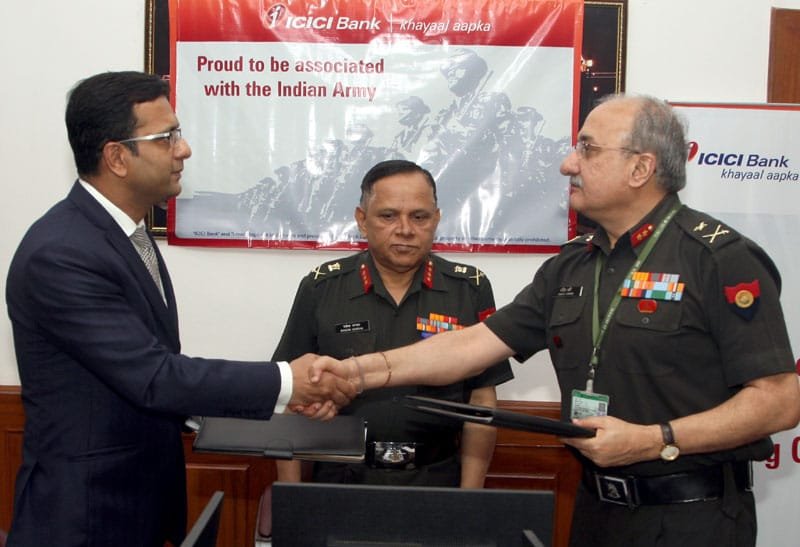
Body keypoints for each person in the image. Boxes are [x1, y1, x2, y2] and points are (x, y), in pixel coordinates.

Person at [308, 95, 800, 546]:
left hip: (693, 516)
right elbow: (471, 344)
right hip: (594, 509)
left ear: (640, 168)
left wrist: (654, 440)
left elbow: (779, 402)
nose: (569, 164)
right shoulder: (571, 266)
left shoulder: (718, 259)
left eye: (587, 149)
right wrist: (355, 373)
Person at [4, 71, 354, 547]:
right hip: (86, 518)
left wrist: (259, 406)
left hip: (135, 504)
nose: (183, 149)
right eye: (166, 137)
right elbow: (153, 377)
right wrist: (287, 382)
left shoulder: (123, 235)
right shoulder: (62, 253)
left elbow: (141, 373)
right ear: (116, 157)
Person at [273, 159, 513, 490]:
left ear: (436, 220)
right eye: (388, 216)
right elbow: (290, 400)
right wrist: (291, 497)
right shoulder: (322, 287)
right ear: (362, 220)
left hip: (436, 479)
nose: (405, 229)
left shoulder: (469, 289)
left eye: (419, 216)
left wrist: (469, 500)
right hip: (341, 479)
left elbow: (482, 403)